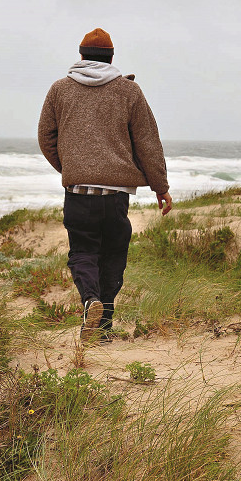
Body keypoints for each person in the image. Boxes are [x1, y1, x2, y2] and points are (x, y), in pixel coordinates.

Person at [37, 28, 172, 342]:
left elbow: (45, 138)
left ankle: (90, 301)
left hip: (78, 193)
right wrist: (160, 187)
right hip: (115, 196)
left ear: (81, 56)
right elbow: (148, 142)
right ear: (111, 58)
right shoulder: (129, 91)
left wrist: (71, 168)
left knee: (82, 253)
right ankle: (103, 328)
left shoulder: (59, 89)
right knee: (113, 258)